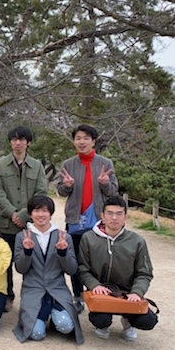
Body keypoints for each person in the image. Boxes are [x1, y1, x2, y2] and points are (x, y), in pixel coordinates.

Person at [78, 195, 157, 341]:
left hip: (127, 293)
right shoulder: (88, 238)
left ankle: (128, 320)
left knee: (148, 321)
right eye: (110, 213)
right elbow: (82, 269)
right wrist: (94, 285)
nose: (114, 218)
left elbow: (144, 273)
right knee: (100, 319)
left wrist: (137, 292)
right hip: (101, 291)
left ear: (125, 216)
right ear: (102, 216)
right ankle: (103, 325)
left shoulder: (137, 241)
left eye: (119, 214)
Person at [57, 124, 118, 300]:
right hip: (75, 219)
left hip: (99, 219)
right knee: (75, 259)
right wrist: (67, 186)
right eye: (78, 138)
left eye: (86, 138)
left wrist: (105, 184)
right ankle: (78, 296)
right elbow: (61, 191)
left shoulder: (105, 163)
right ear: (74, 141)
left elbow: (113, 191)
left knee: (99, 260)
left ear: (94, 141)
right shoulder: (68, 164)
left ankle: (100, 295)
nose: (81, 142)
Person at [13, 195, 83, 344]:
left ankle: (53, 317)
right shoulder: (22, 236)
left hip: (57, 289)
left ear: (51, 213)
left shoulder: (63, 236)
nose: (41, 215)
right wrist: (27, 252)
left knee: (65, 326)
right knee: (36, 333)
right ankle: (42, 316)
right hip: (33, 288)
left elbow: (71, 270)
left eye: (45, 211)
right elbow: (20, 269)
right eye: (36, 210)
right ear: (30, 213)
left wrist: (63, 253)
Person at [0, 126, 48, 311]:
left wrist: (24, 214)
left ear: (28, 142)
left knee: (30, 261)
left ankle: (30, 296)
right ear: (10, 142)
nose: (18, 143)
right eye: (14, 139)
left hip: (29, 224)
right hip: (6, 222)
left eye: (22, 139)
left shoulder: (37, 166)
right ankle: (7, 295)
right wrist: (12, 213)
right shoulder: (0, 164)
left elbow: (41, 192)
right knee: (5, 262)